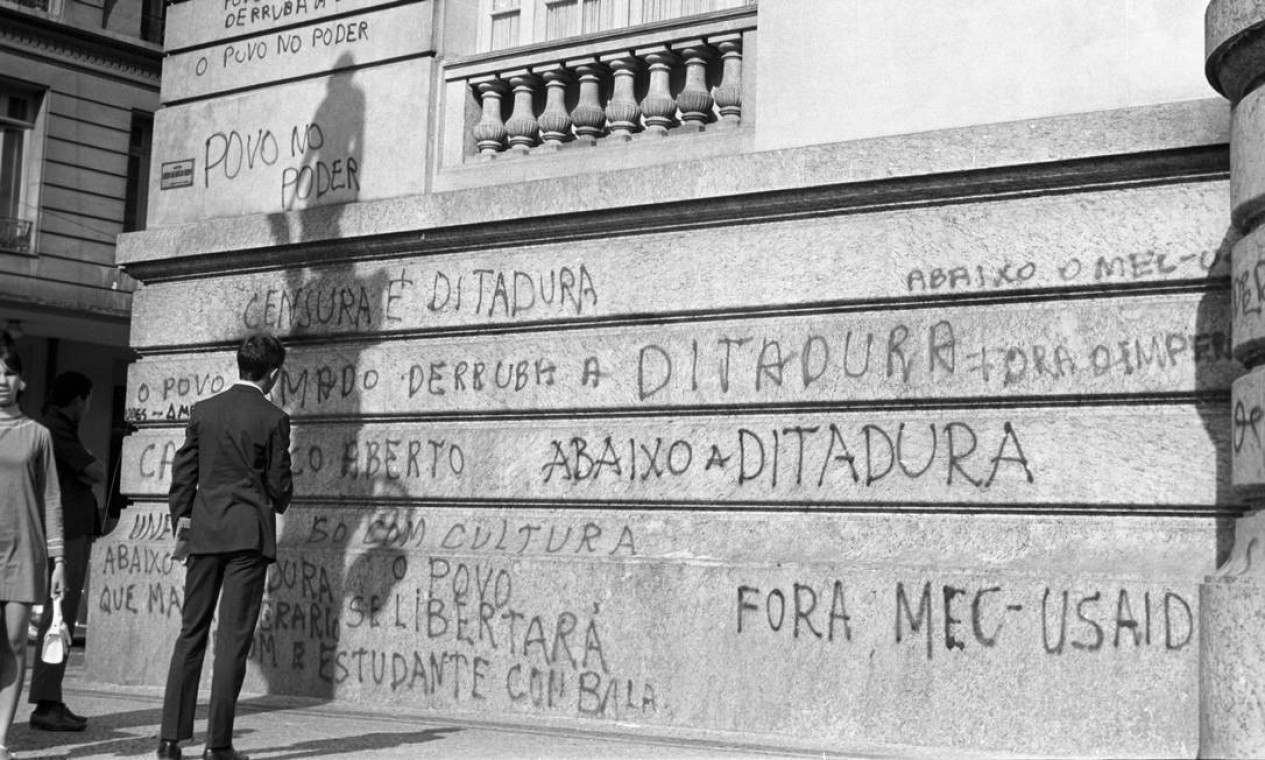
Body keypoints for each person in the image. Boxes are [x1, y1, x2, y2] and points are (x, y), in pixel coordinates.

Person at [158, 334, 292, 760]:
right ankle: (218, 744)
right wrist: (279, 497)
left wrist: (184, 518)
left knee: (190, 633)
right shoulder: (273, 418)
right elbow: (278, 483)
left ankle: (169, 739)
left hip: (205, 531)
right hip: (248, 536)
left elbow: (183, 475)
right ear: (272, 373)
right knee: (232, 639)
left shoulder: (203, 412)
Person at [0, 335, 65, 760]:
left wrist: (60, 560)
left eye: (9, 373)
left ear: (22, 381)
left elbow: (52, 498)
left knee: (12, 642)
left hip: (24, 552)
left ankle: (0, 739)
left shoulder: (38, 435)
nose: (2, 381)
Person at [29, 371, 103, 732]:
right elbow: (94, 471)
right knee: (59, 617)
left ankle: (51, 697)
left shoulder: (55, 428)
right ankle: (46, 702)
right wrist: (89, 467)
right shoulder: (55, 429)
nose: (88, 408)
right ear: (78, 400)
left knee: (59, 618)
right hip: (66, 534)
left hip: (67, 531)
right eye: (87, 401)